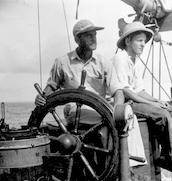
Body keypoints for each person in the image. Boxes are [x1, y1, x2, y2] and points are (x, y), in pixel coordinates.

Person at [34, 19, 146, 168]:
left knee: (126, 116)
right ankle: (111, 170)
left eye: (94, 35)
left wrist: (116, 110)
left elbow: (117, 91)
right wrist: (42, 97)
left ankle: (128, 167)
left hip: (100, 110)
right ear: (77, 39)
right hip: (76, 111)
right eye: (88, 35)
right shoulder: (62, 62)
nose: (94, 39)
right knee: (109, 125)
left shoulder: (104, 63)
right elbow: (51, 87)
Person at [112, 21, 172, 178]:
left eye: (144, 41)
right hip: (124, 105)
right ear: (128, 41)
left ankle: (168, 156)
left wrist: (157, 100)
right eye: (139, 41)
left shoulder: (136, 61)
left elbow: (140, 90)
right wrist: (151, 104)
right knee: (162, 115)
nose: (143, 45)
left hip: (135, 101)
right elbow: (125, 91)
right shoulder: (120, 58)